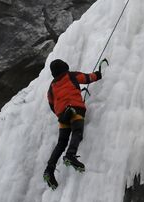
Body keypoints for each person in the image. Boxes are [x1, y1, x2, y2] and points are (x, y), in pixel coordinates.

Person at [43, 59, 102, 187]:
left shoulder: (51, 87)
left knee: (61, 143)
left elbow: (51, 104)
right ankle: (70, 155)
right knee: (77, 132)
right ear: (65, 68)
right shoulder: (70, 75)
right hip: (75, 109)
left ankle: (49, 170)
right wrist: (98, 75)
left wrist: (60, 114)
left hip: (63, 116)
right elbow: (86, 78)